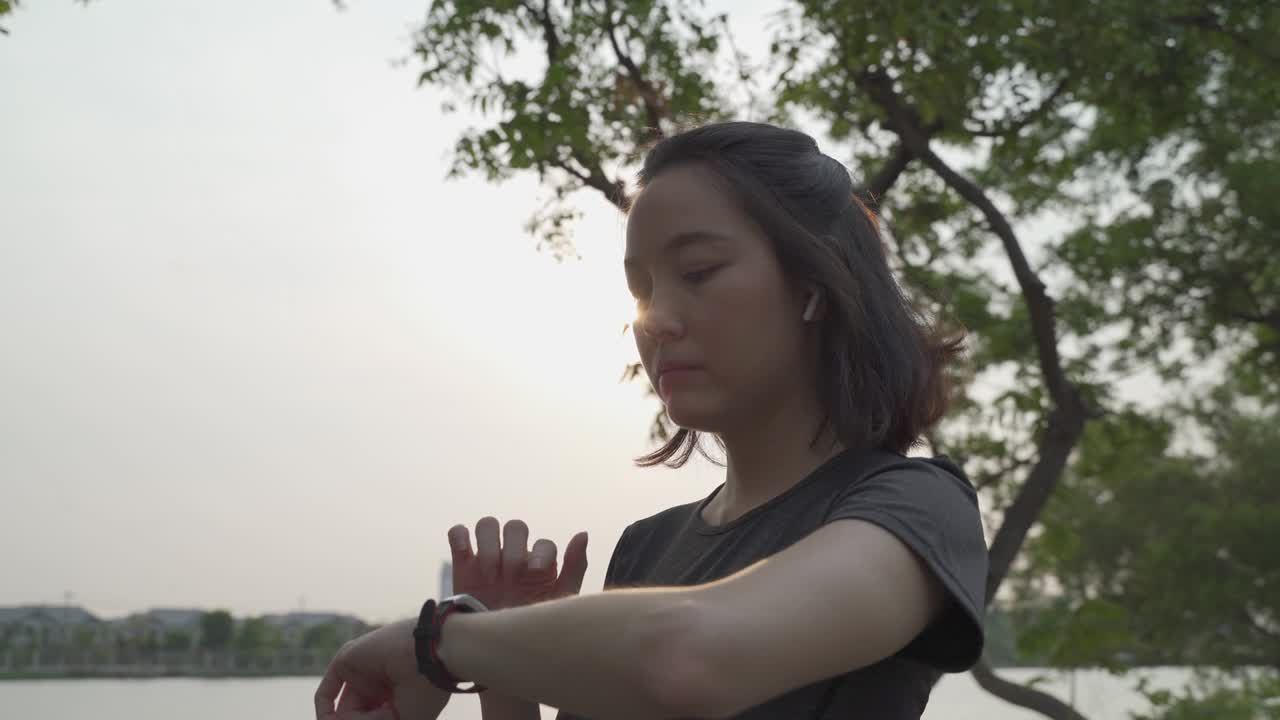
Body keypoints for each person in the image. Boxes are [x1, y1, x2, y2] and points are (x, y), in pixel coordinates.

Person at [313, 121, 988, 720]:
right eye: (640, 289)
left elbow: (687, 661)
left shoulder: (915, 508)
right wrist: (503, 656)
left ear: (813, 285)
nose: (654, 320)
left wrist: (442, 642)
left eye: (697, 271)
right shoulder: (646, 548)